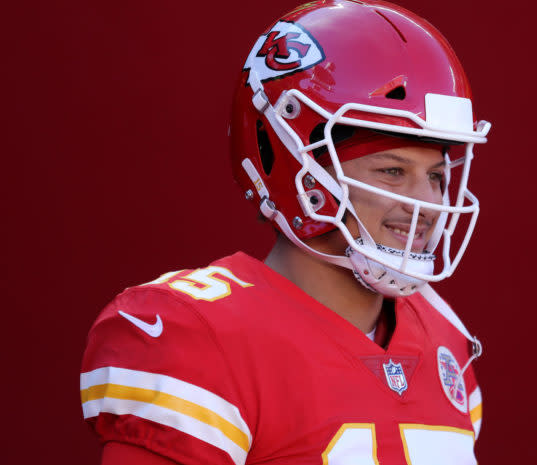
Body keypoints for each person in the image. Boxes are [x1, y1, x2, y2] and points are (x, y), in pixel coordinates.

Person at [79, 1, 492, 464]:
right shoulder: (197, 336)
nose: (429, 203)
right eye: (392, 170)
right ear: (302, 170)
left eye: (436, 176)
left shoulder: (444, 338)